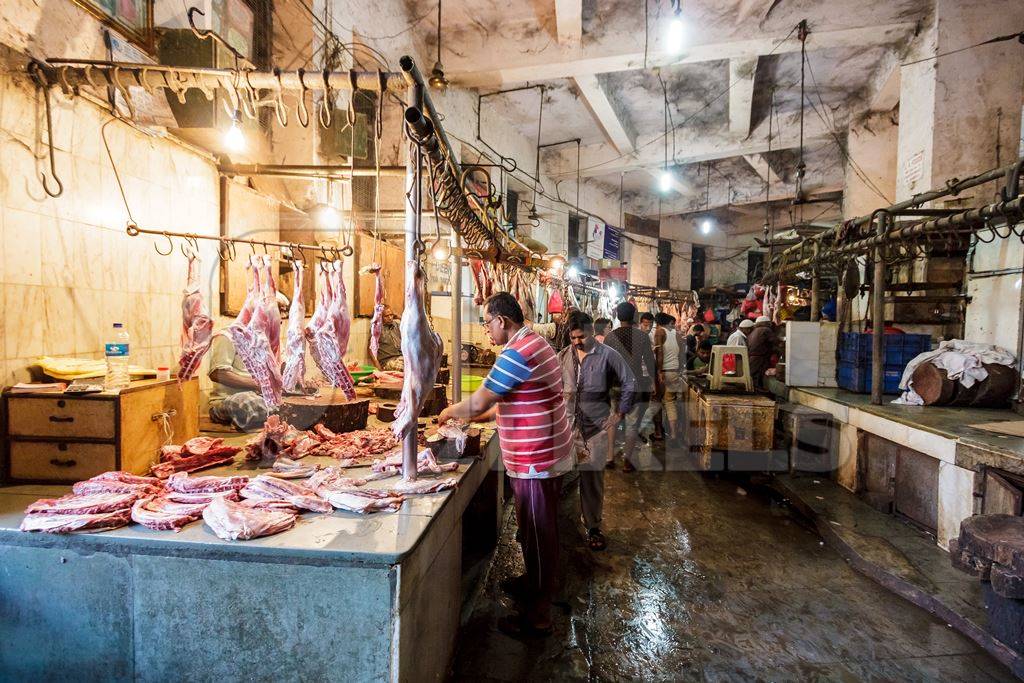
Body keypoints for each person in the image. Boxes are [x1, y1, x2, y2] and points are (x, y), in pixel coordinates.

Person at [437, 292, 571, 638]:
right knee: (533, 532)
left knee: (540, 536)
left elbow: (482, 399)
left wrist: (449, 412)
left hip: (535, 459)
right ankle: (533, 582)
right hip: (542, 454)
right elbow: (504, 404)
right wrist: (476, 415)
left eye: (487, 323)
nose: (485, 331)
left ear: (502, 321)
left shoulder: (517, 352)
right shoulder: (535, 343)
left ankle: (539, 617)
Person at [558, 311, 636, 552]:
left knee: (592, 481)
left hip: (595, 429)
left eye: (581, 336)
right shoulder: (562, 356)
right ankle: (549, 524)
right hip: (566, 428)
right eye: (573, 338)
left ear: (592, 332)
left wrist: (620, 413)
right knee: (556, 477)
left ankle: (593, 526)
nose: (577, 342)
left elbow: (629, 381)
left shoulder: (608, 355)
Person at [603, 301, 657, 472]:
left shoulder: (610, 337)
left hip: (615, 385)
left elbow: (605, 364)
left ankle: (609, 457)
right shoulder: (642, 336)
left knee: (612, 418)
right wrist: (655, 381)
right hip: (635, 385)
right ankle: (627, 461)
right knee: (633, 423)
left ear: (618, 316)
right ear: (634, 316)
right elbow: (649, 361)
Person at [207, 335, 268, 431]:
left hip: (257, 397)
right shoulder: (227, 336)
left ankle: (252, 418)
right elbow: (217, 373)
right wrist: (258, 385)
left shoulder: (261, 338)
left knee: (288, 404)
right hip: (230, 400)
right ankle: (253, 416)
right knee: (247, 403)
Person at [651, 312, 685, 443]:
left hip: (664, 371)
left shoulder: (660, 332)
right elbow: (682, 352)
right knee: (670, 402)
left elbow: (659, 352)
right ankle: (674, 434)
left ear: (658, 323)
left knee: (657, 402)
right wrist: (680, 368)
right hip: (675, 370)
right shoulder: (676, 334)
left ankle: (658, 431)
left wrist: (659, 371)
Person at [746, 315, 777, 389]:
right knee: (758, 374)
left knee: (753, 374)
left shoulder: (754, 330)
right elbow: (774, 341)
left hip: (752, 355)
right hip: (759, 356)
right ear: (766, 323)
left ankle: (755, 388)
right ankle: (757, 389)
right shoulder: (766, 330)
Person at [375, 305, 404, 371]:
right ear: (380, 317)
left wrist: (399, 317)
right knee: (408, 369)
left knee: (421, 364)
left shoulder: (396, 325)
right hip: (388, 361)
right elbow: (371, 349)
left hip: (401, 358)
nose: (390, 318)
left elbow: (412, 328)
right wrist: (378, 367)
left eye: (391, 315)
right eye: (386, 316)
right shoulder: (377, 328)